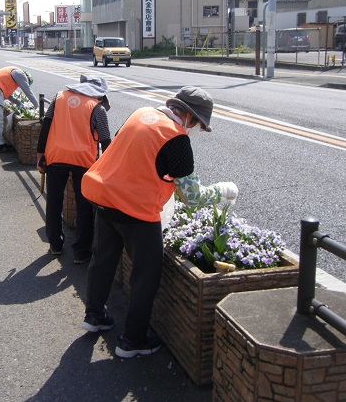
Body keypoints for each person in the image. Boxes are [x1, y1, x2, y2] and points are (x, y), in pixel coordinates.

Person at [80, 86, 239, 358]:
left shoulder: (141, 113)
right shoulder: (176, 140)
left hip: (105, 196)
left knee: (103, 259)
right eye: (199, 124)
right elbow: (191, 196)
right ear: (189, 116)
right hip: (136, 211)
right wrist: (222, 190)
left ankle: (93, 315)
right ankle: (132, 340)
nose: (197, 129)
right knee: (146, 275)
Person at [36, 75, 112, 263]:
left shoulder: (59, 97)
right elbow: (105, 140)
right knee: (84, 206)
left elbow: (46, 124)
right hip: (83, 160)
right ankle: (81, 252)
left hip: (55, 156)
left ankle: (55, 245)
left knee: (54, 201)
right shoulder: (97, 108)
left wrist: (40, 154)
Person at [0, 66, 39, 153]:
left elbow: (9, 95)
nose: (23, 84)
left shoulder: (11, 74)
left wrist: (18, 103)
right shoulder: (20, 73)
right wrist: (37, 106)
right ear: (27, 77)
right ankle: (0, 145)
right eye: (26, 82)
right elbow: (28, 91)